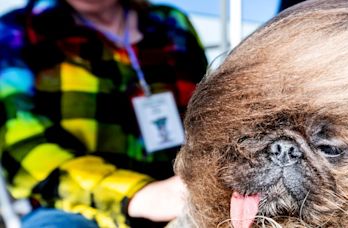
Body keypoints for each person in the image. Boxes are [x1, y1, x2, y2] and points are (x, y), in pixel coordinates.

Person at [0, 0, 208, 227]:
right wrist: (138, 194)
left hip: (182, 196)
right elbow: (25, 148)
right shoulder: (16, 31)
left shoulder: (172, 24)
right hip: (75, 208)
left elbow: (208, 118)